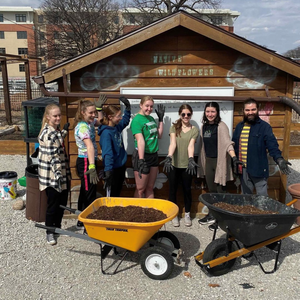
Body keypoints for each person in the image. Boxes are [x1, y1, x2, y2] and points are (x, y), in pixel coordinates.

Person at [232, 97, 291, 196]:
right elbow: (234, 147)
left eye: (253, 109)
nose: (250, 112)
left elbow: (272, 145)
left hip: (258, 169)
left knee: (262, 200)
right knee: (246, 199)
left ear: (257, 109)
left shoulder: (264, 127)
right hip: (243, 170)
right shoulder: (239, 127)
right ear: (243, 111)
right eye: (247, 110)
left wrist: (279, 159)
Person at [197, 102, 241, 230]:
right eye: (208, 112)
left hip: (219, 162)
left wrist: (234, 158)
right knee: (212, 191)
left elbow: (228, 143)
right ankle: (212, 215)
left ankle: (221, 219)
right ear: (205, 113)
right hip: (208, 162)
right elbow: (202, 146)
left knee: (221, 191)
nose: (210, 114)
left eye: (213, 112)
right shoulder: (203, 127)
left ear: (217, 113)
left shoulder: (221, 126)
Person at [160, 104, 199, 227]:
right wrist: (169, 156)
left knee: (187, 190)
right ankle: (174, 215)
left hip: (187, 165)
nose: (186, 116)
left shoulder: (194, 130)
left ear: (191, 114)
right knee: (172, 190)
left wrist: (191, 159)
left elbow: (191, 145)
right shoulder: (174, 128)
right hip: (173, 165)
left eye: (188, 114)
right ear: (180, 115)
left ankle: (187, 214)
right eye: (183, 114)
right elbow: (173, 144)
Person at [38, 104, 71, 245]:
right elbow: (53, 157)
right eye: (55, 116)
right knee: (53, 204)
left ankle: (57, 228)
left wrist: (64, 131)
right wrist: (59, 176)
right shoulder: (49, 134)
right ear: (48, 117)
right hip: (52, 175)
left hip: (61, 171)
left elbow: (58, 139)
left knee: (62, 202)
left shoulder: (55, 131)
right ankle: (49, 232)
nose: (58, 118)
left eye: (59, 115)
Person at [74, 95, 107, 230]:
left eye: (94, 112)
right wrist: (92, 165)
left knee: (85, 189)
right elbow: (89, 146)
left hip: (89, 160)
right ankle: (88, 224)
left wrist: (99, 108)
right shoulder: (82, 127)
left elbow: (100, 121)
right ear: (83, 113)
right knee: (89, 192)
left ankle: (81, 219)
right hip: (86, 162)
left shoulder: (89, 123)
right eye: (91, 112)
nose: (93, 115)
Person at [130, 95, 165, 198]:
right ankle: (138, 212)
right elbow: (140, 140)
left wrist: (161, 120)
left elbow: (159, 135)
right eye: (147, 106)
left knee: (150, 187)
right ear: (141, 105)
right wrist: (141, 160)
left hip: (153, 155)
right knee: (140, 189)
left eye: (151, 106)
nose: (149, 109)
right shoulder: (137, 120)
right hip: (142, 156)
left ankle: (149, 212)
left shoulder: (150, 118)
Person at [98, 97, 131, 196]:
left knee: (117, 194)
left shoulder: (116, 128)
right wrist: (108, 171)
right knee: (112, 196)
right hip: (112, 169)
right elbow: (108, 153)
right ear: (110, 117)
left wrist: (128, 108)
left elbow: (124, 121)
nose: (120, 118)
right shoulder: (106, 133)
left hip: (120, 167)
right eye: (118, 116)